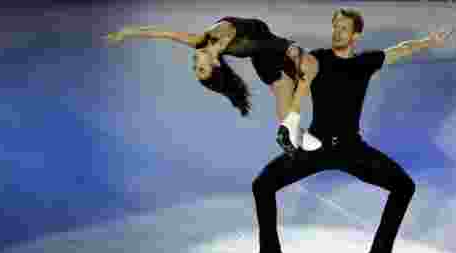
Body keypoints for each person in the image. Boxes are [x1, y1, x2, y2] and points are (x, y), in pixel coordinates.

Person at [238, 9, 453, 253]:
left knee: (404, 186)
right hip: (316, 147)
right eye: (335, 27)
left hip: (351, 149)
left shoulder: (365, 62)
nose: (337, 32)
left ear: (355, 35)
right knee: (262, 185)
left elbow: (400, 49)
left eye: (343, 28)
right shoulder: (317, 59)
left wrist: (428, 43)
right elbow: (282, 55)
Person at [105, 17, 323, 153]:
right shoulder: (222, 44)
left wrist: (128, 32)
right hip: (274, 52)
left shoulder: (200, 41)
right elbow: (240, 35)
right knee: (311, 67)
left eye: (195, 68)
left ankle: (293, 130)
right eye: (200, 69)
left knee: (288, 104)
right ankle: (293, 127)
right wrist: (289, 47)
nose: (194, 64)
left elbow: (163, 33)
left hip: (266, 56)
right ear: (215, 65)